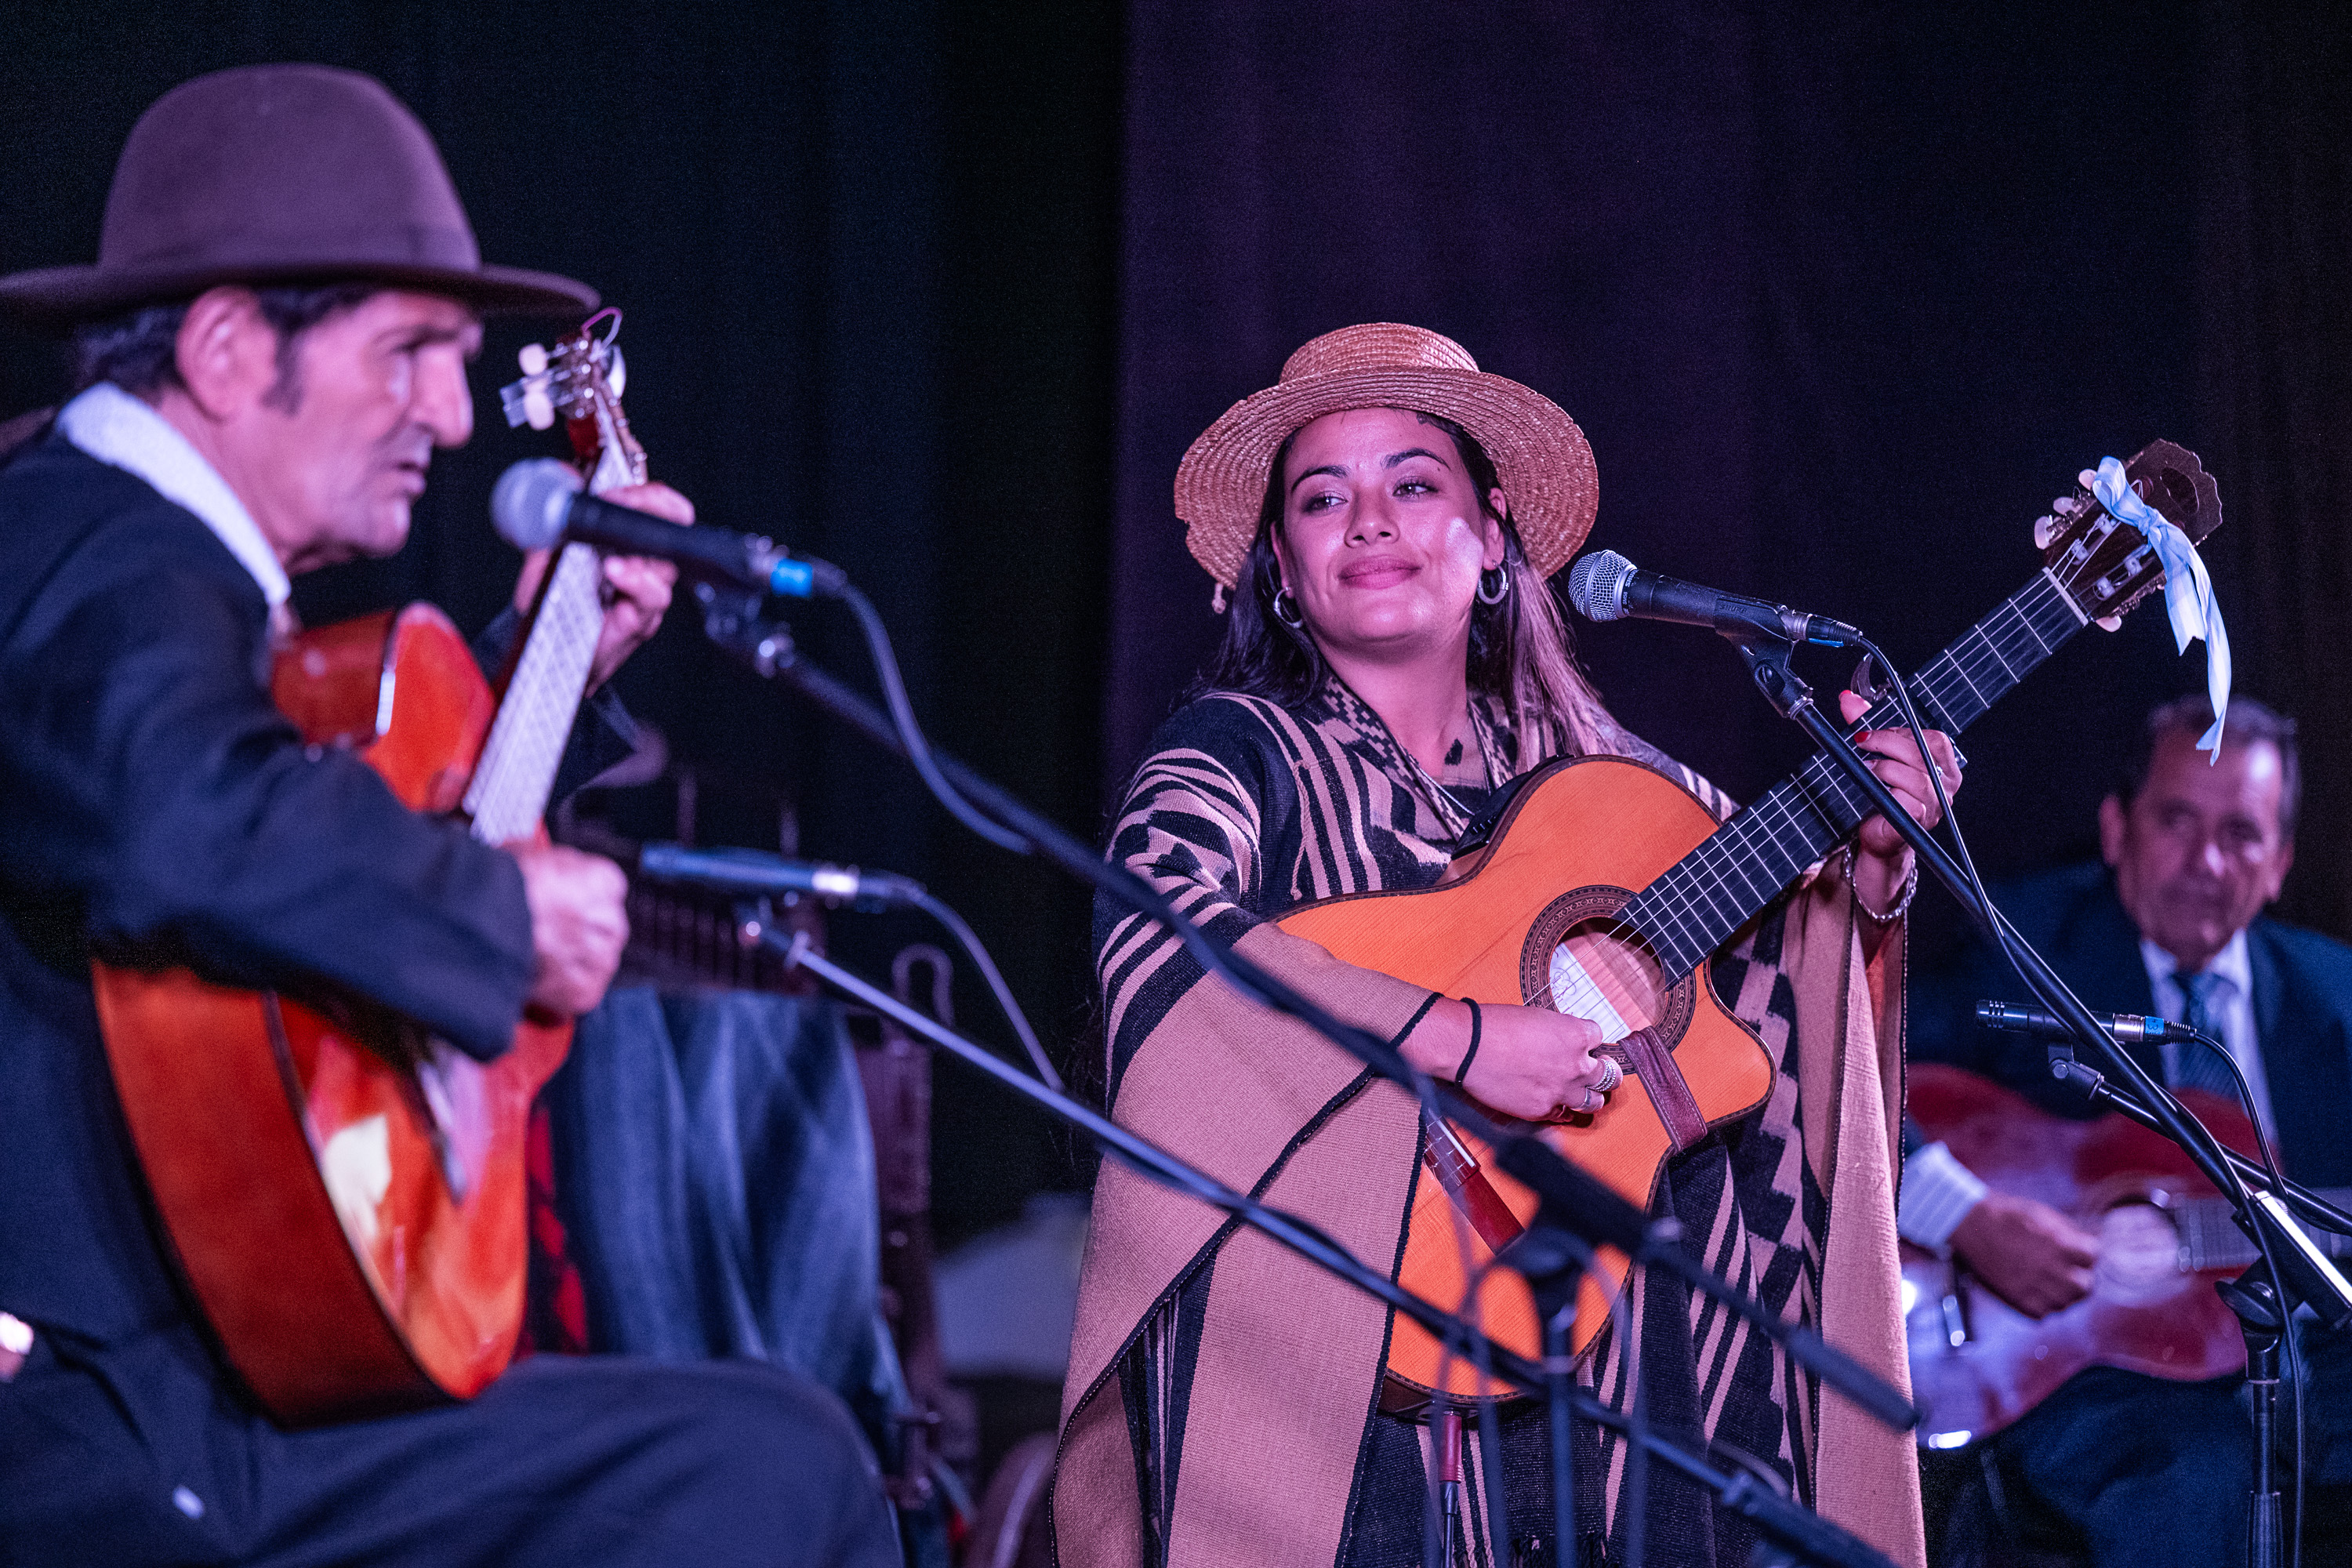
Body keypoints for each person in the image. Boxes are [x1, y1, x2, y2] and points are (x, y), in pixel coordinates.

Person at [0, 65, 895, 1566]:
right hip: (99, 1429)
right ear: (226, 349)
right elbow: (180, 819)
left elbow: (256, 828)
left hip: (206, 1391)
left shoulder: (130, 567)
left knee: (762, 1453)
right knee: (774, 1473)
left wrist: (555, 665)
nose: (451, 413)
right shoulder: (96, 549)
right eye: (409, 353)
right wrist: (499, 913)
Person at [1054, 323, 1959, 1567]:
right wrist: (1462, 1040)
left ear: (1491, 542)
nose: (1371, 520)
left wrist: (1873, 865)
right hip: (1345, 1381)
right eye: (1322, 498)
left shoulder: (1619, 792)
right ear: (1283, 571)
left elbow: (1779, 994)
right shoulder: (1233, 756)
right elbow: (1159, 944)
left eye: (1414, 483)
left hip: (1629, 1385)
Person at [1904, 695, 2352, 1566]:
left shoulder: (2336, 998)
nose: (2207, 861)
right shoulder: (2019, 948)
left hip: (2308, 1361)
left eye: (2241, 834)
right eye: (2177, 820)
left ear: (2281, 863)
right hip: (2083, 1370)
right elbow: (1862, 1085)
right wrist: (1963, 1215)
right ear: (2117, 829)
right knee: (2198, 1481)